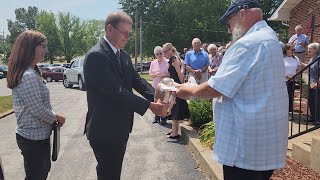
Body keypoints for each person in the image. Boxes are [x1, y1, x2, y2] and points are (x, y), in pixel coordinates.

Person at [176, 1, 288, 179]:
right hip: (260, 143)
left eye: (229, 23)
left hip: (244, 146)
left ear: (242, 13)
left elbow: (216, 88)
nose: (229, 30)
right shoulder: (269, 37)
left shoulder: (248, 43)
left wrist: (186, 90)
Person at [83, 11, 167, 180]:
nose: (128, 37)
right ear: (109, 29)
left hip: (119, 127)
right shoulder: (96, 56)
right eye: (124, 33)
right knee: (109, 174)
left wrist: (156, 96)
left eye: (130, 34)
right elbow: (115, 92)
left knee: (113, 173)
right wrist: (150, 106)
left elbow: (135, 80)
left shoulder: (123, 55)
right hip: (104, 129)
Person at [6, 30, 66, 180]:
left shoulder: (32, 72)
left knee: (39, 174)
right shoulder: (28, 76)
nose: (46, 50)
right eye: (43, 46)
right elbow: (38, 109)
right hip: (33, 139)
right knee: (36, 176)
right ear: (30, 47)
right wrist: (56, 117)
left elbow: (40, 105)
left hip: (35, 137)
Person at [162, 43, 190, 139]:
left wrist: (182, 86)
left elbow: (180, 73)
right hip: (172, 85)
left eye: (166, 51)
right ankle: (173, 129)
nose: (164, 53)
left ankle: (175, 131)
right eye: (163, 52)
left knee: (175, 107)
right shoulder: (171, 59)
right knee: (172, 107)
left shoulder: (174, 59)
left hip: (176, 86)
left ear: (171, 50)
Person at [149, 46, 170, 124]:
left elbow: (170, 74)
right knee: (156, 101)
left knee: (165, 102)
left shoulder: (167, 62)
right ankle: (156, 117)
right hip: (156, 85)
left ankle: (164, 118)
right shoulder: (153, 62)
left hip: (165, 86)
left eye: (160, 53)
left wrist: (164, 75)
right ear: (155, 55)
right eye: (157, 54)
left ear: (163, 53)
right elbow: (150, 75)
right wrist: (154, 74)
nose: (159, 55)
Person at [283, 43, 301, 113]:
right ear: (286, 50)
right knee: (284, 96)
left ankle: (289, 111)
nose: (293, 51)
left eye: (294, 49)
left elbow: (299, 68)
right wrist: (286, 76)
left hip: (292, 80)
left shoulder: (296, 58)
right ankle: (284, 111)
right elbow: (279, 69)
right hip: (284, 80)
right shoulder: (282, 58)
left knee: (291, 96)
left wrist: (293, 76)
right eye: (292, 49)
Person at [306, 42, 320, 125]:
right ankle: (313, 117)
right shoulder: (313, 57)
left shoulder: (319, 58)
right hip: (311, 82)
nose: (308, 50)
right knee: (311, 101)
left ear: (315, 49)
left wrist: (318, 83)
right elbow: (309, 67)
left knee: (317, 101)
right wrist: (300, 64)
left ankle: (318, 119)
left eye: (310, 49)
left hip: (316, 84)